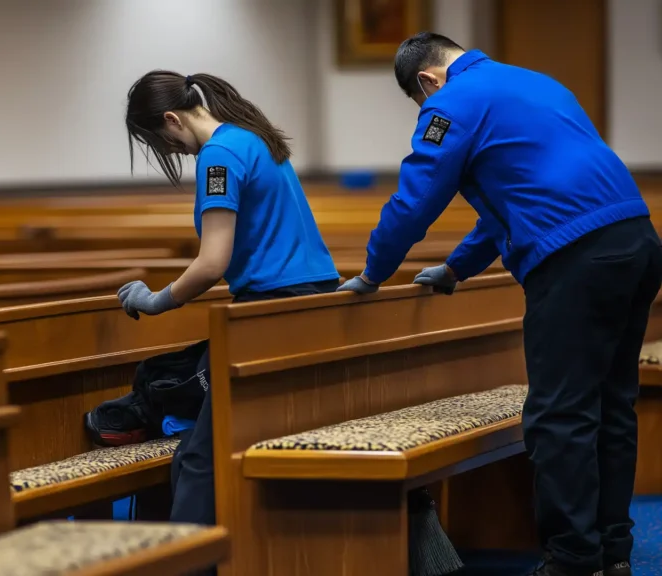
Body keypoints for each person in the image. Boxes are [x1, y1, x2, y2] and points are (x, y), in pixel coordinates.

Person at [337, 32, 662, 576]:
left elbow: (416, 199)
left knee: (560, 414)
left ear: (426, 81)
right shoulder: (532, 81)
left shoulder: (446, 104)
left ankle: (573, 561)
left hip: (577, 258)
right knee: (610, 406)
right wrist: (458, 267)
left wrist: (373, 273)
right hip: (636, 241)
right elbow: (518, 197)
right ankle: (613, 552)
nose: (425, 111)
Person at [119, 70, 342, 529]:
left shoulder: (217, 157)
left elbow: (211, 262)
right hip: (317, 301)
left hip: (272, 312)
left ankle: (188, 562)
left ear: (171, 119)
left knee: (201, 459)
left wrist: (157, 300)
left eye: (160, 142)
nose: (168, 153)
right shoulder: (251, 136)